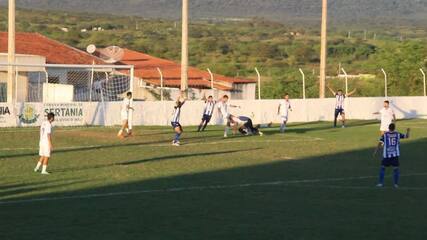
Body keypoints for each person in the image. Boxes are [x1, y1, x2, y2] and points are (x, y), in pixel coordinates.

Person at [373, 123, 410, 188]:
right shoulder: (397, 134)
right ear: (394, 128)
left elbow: (380, 143)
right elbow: (406, 136)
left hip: (387, 155)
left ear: (389, 128)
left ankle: (380, 183)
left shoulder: (385, 135)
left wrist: (376, 151)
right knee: (396, 169)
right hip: (395, 155)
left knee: (382, 168)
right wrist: (408, 131)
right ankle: (396, 184)